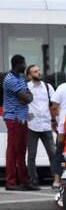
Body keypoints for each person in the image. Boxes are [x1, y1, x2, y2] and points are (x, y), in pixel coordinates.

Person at [3, 55, 34, 191]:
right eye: (24, 63)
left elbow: (29, 95)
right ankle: (11, 182)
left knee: (21, 150)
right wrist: (26, 97)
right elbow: (26, 97)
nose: (25, 66)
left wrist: (27, 97)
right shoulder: (10, 79)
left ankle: (24, 181)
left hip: (21, 117)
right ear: (18, 64)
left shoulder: (21, 78)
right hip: (14, 118)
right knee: (13, 151)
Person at [26, 64, 56, 190]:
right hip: (32, 126)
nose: (38, 73)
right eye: (35, 71)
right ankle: (33, 180)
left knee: (53, 154)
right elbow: (21, 103)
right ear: (29, 75)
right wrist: (26, 115)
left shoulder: (48, 87)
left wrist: (54, 120)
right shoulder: (26, 88)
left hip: (46, 124)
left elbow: (54, 104)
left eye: (39, 70)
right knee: (31, 155)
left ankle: (56, 180)